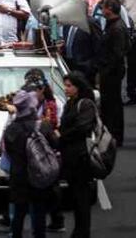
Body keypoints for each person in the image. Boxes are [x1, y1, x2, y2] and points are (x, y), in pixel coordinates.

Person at [3, 90, 55, 238]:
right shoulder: (42, 126)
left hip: (19, 175)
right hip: (39, 174)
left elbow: (8, 151)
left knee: (18, 212)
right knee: (39, 211)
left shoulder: (11, 129)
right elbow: (54, 144)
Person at [55, 72, 97, 237]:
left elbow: (82, 128)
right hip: (69, 156)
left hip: (81, 157)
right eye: (65, 85)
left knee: (82, 197)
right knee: (75, 196)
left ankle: (82, 232)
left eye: (69, 86)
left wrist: (62, 135)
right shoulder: (70, 103)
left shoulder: (86, 104)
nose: (66, 89)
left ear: (78, 87)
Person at [96, 0, 129, 145]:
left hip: (111, 73)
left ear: (109, 9)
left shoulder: (116, 28)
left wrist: (105, 71)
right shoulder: (114, 25)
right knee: (110, 104)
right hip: (110, 71)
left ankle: (114, 135)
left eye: (103, 7)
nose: (101, 10)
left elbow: (118, 54)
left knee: (112, 105)